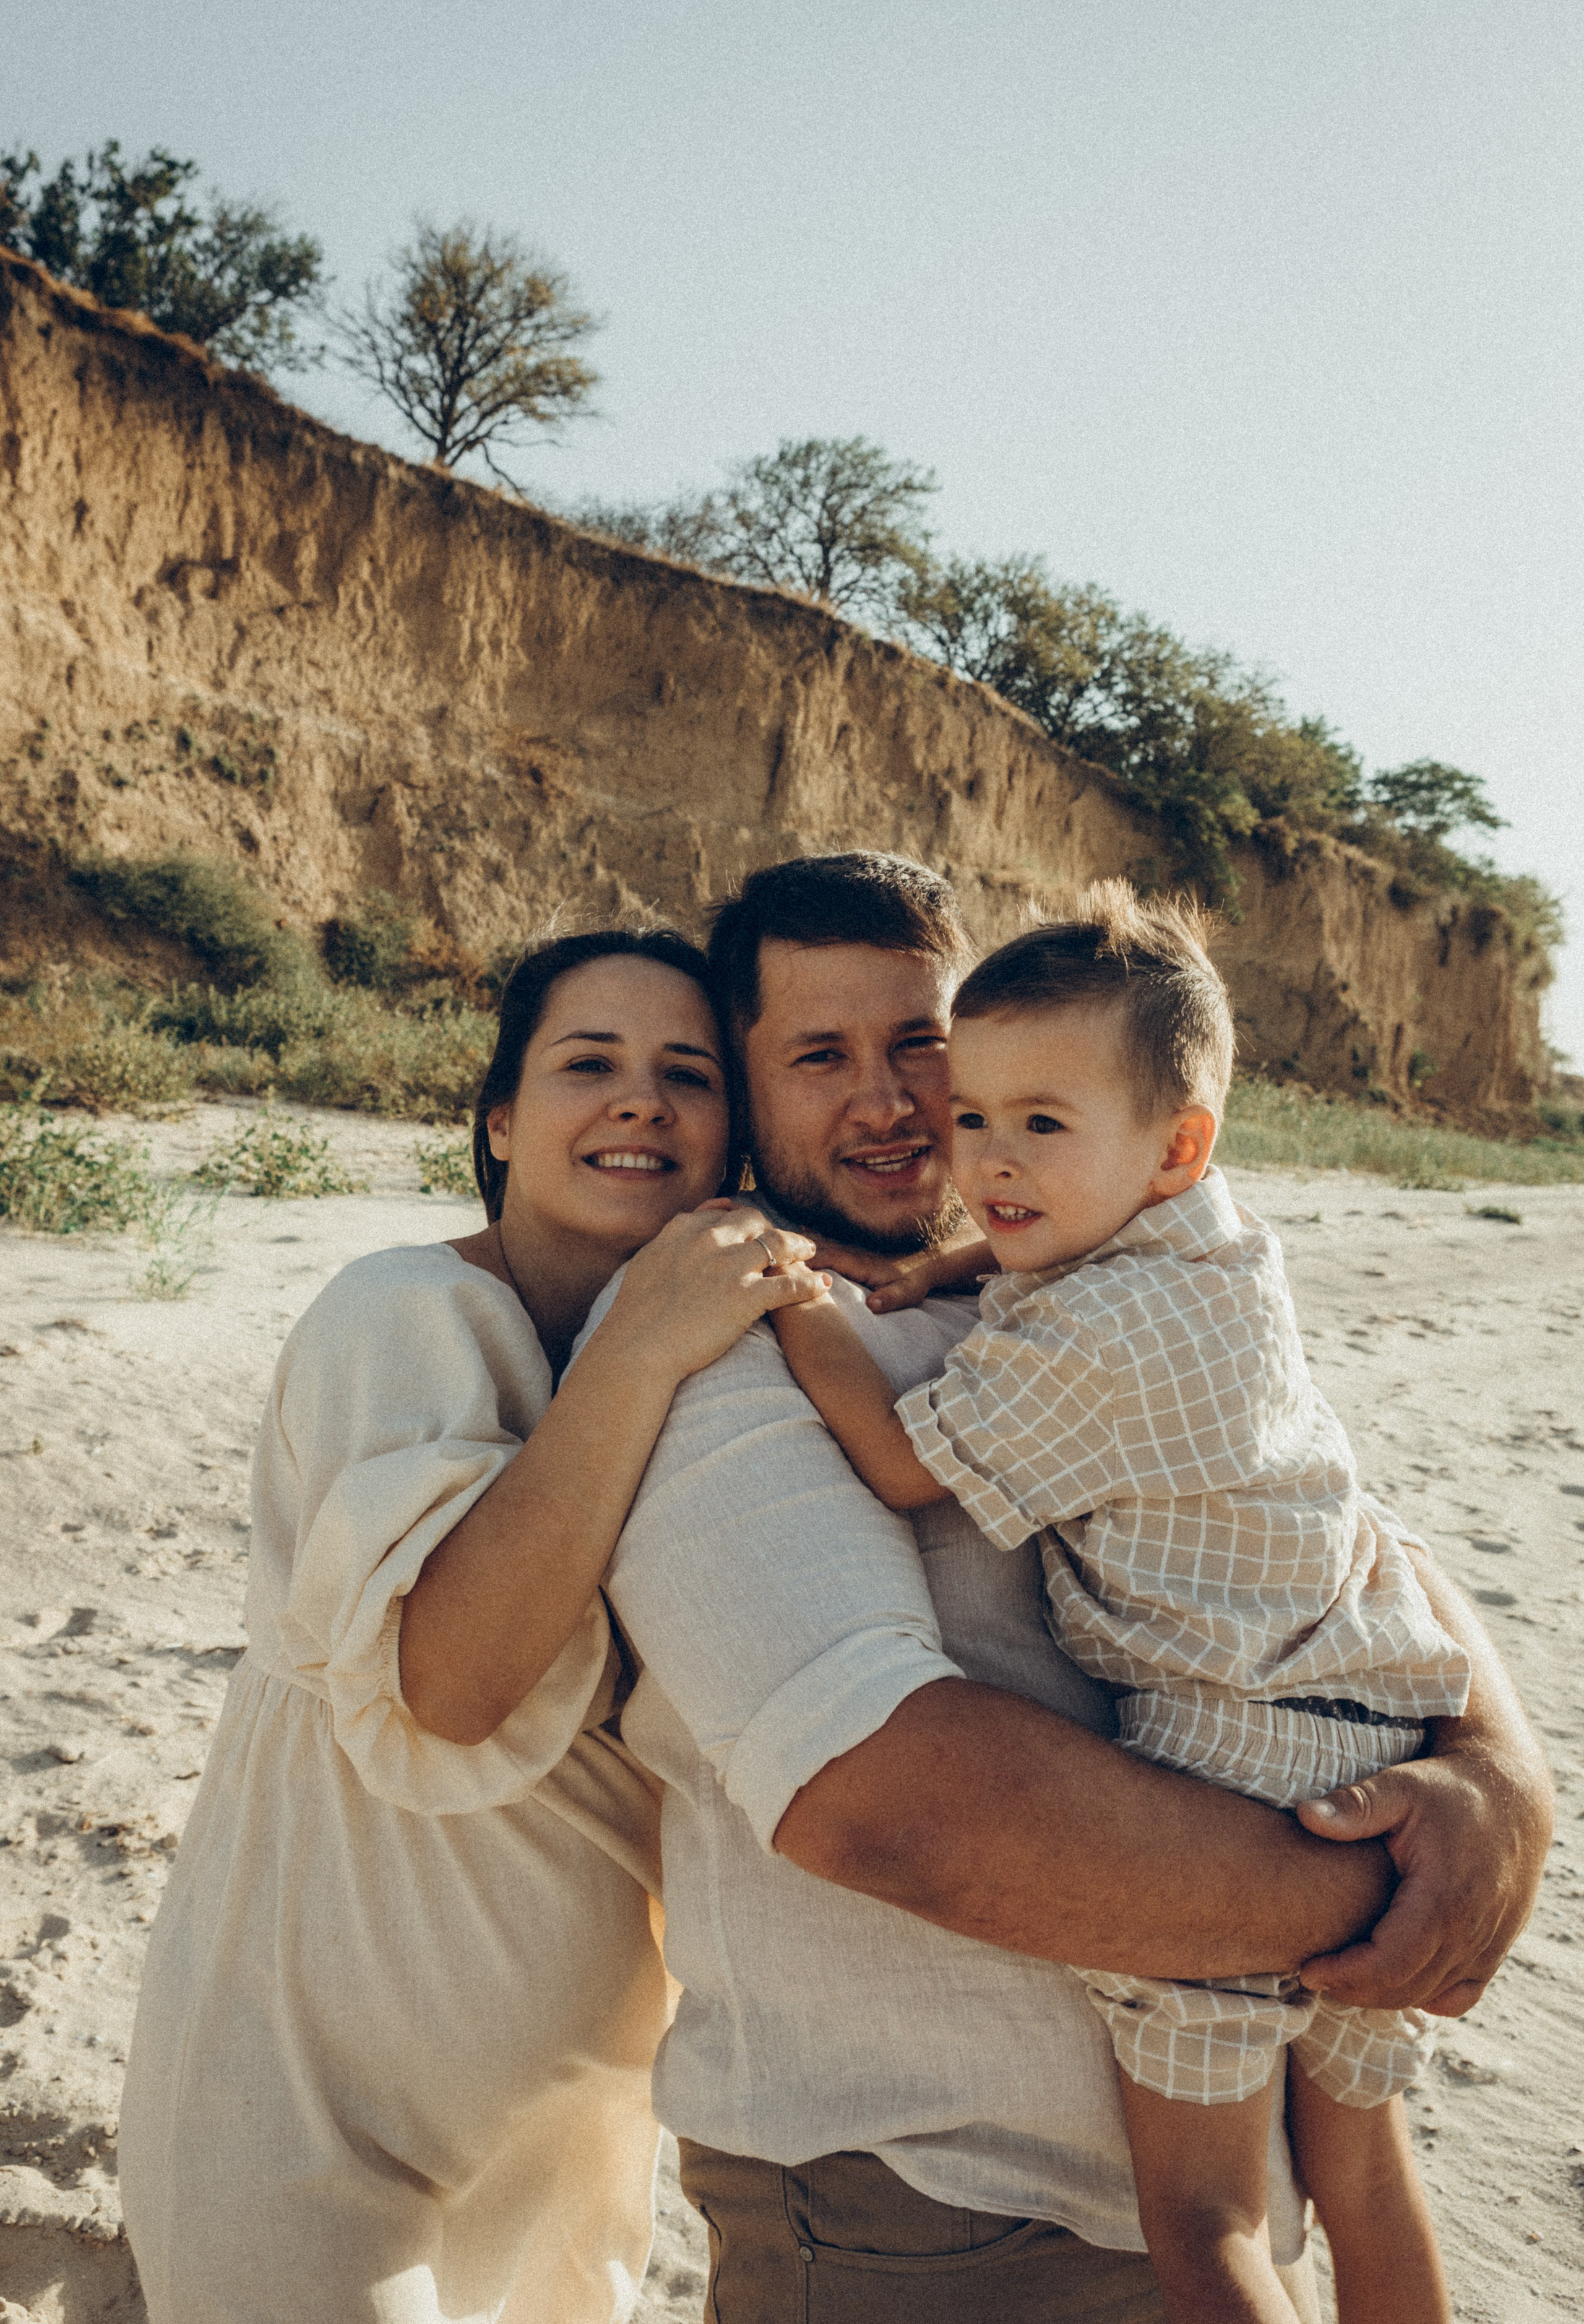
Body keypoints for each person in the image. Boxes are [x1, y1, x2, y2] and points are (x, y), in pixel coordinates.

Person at [594, 850, 1552, 2324]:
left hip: (1189, 2181)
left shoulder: (1066, 1288)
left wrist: (1501, 1785)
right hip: (924, 2215)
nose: (895, 1103)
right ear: (736, 1088)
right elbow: (893, 1807)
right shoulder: (724, 1343)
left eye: (925, 1049)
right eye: (815, 1057)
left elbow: (1359, 1544)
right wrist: (1378, 1896)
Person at [118, 927, 826, 2324]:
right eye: (588, 1064)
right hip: (313, 2118)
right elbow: (453, 1683)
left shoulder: (712, 1369)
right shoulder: (402, 1314)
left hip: (568, 2138)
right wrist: (638, 1348)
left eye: (687, 1073)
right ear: (500, 1120)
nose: (640, 1100)